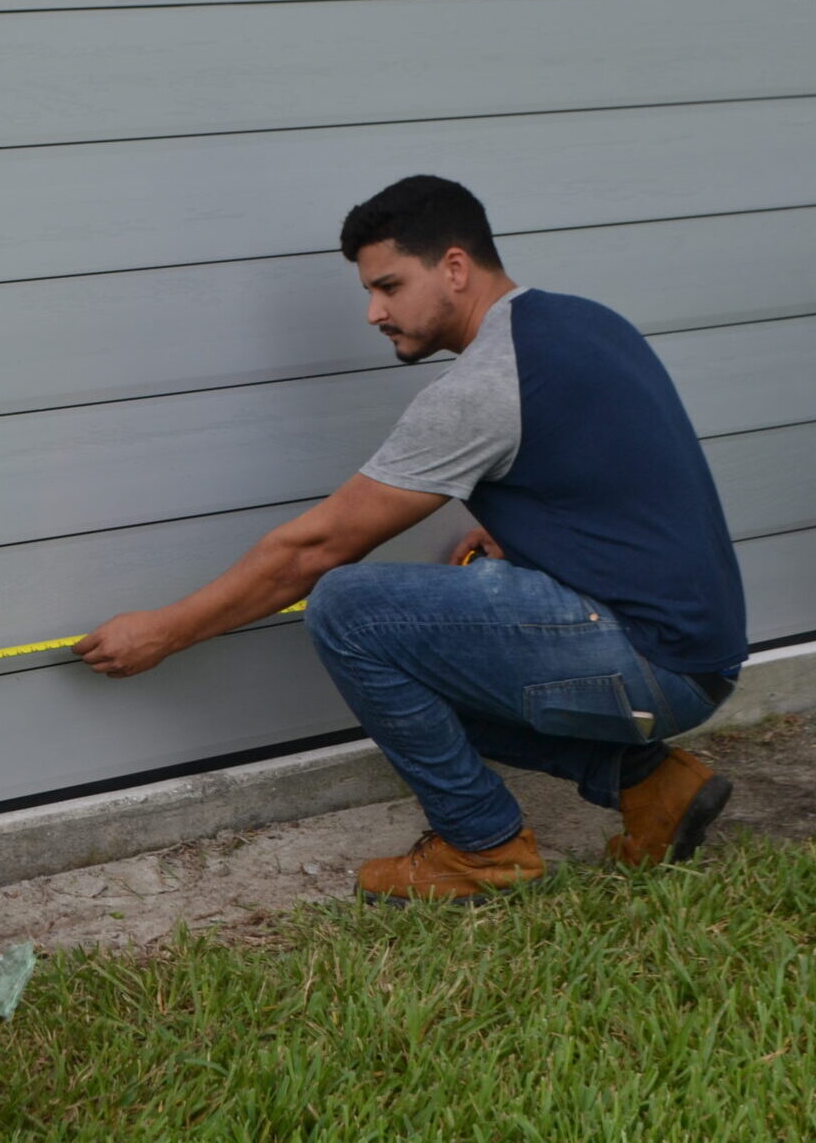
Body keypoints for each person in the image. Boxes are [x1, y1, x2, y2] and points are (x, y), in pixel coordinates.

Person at [72, 174, 746, 901]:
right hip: (695, 652)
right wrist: (528, 536)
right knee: (425, 640)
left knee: (352, 611)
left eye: (389, 285)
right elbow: (613, 478)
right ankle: (650, 785)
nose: (373, 312)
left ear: (454, 267)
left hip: (651, 661)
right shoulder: (577, 321)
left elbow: (314, 549)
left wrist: (165, 631)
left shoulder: (482, 386)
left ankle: (481, 847)